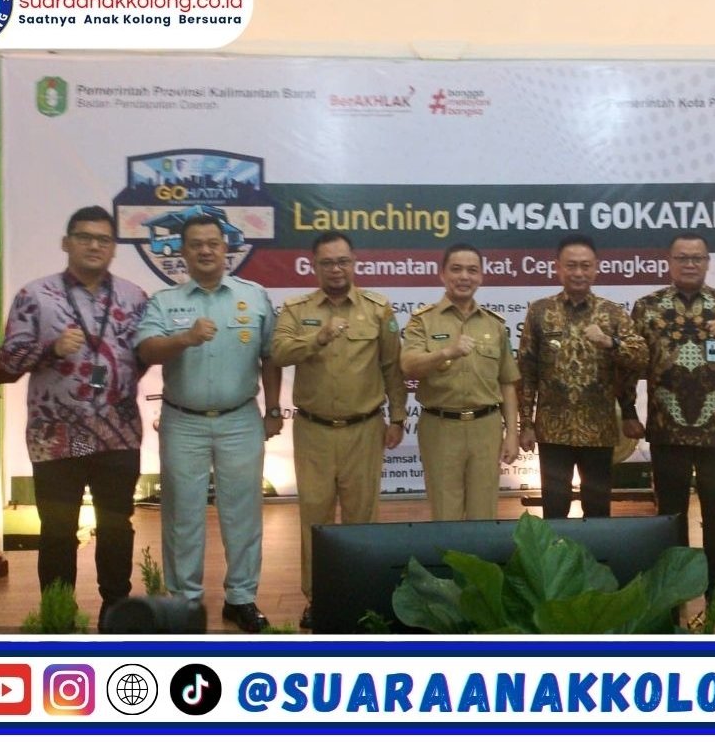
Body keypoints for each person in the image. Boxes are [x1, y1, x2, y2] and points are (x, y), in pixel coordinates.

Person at [1, 205, 148, 631]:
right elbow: (8, 362)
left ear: (114, 248)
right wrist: (51, 350)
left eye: (103, 239)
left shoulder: (135, 297)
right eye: (85, 237)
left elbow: (141, 357)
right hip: (58, 437)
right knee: (58, 529)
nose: (94, 245)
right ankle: (59, 614)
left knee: (117, 525)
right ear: (66, 243)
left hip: (117, 435)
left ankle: (116, 611)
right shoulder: (35, 295)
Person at [134, 214, 283, 633]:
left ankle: (241, 598)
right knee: (182, 515)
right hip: (184, 422)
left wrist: (273, 410)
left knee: (243, 513)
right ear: (182, 252)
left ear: (225, 248)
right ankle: (185, 602)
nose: (205, 250)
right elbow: (146, 350)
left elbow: (271, 355)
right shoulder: (165, 301)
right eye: (196, 244)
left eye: (213, 243)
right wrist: (184, 338)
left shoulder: (254, 296)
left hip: (241, 419)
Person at [620, 233, 715, 601]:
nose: (690, 264)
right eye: (682, 257)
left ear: (707, 262)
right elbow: (629, 362)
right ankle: (674, 595)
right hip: (667, 430)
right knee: (669, 517)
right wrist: (628, 410)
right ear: (669, 262)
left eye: (697, 258)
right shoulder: (647, 307)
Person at [271, 231, 407, 630]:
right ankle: (317, 598)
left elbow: (392, 367)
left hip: (364, 428)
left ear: (354, 263)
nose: (336, 269)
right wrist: (317, 337)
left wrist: (398, 417)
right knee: (315, 519)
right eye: (327, 262)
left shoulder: (378, 309)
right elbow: (278, 353)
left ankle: (361, 596)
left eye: (343, 261)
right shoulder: (296, 310)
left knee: (362, 518)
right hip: (313, 430)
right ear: (313, 266)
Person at [517, 234, 648, 519]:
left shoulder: (612, 313)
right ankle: (555, 550)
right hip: (553, 430)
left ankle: (595, 550)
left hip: (599, 429)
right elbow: (526, 371)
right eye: (571, 265)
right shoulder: (539, 311)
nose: (578, 272)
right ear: (558, 268)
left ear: (596, 268)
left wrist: (610, 343)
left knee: (598, 510)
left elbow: (640, 358)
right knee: (554, 508)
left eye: (585, 266)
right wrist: (525, 424)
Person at [401, 243, 520, 521]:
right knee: (446, 513)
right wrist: (446, 353)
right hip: (441, 427)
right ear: (442, 274)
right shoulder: (422, 321)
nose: (464, 276)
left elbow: (507, 381)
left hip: (486, 427)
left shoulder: (494, 324)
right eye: (456, 269)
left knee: (484, 513)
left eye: (472, 270)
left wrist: (512, 434)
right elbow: (408, 366)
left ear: (481, 277)